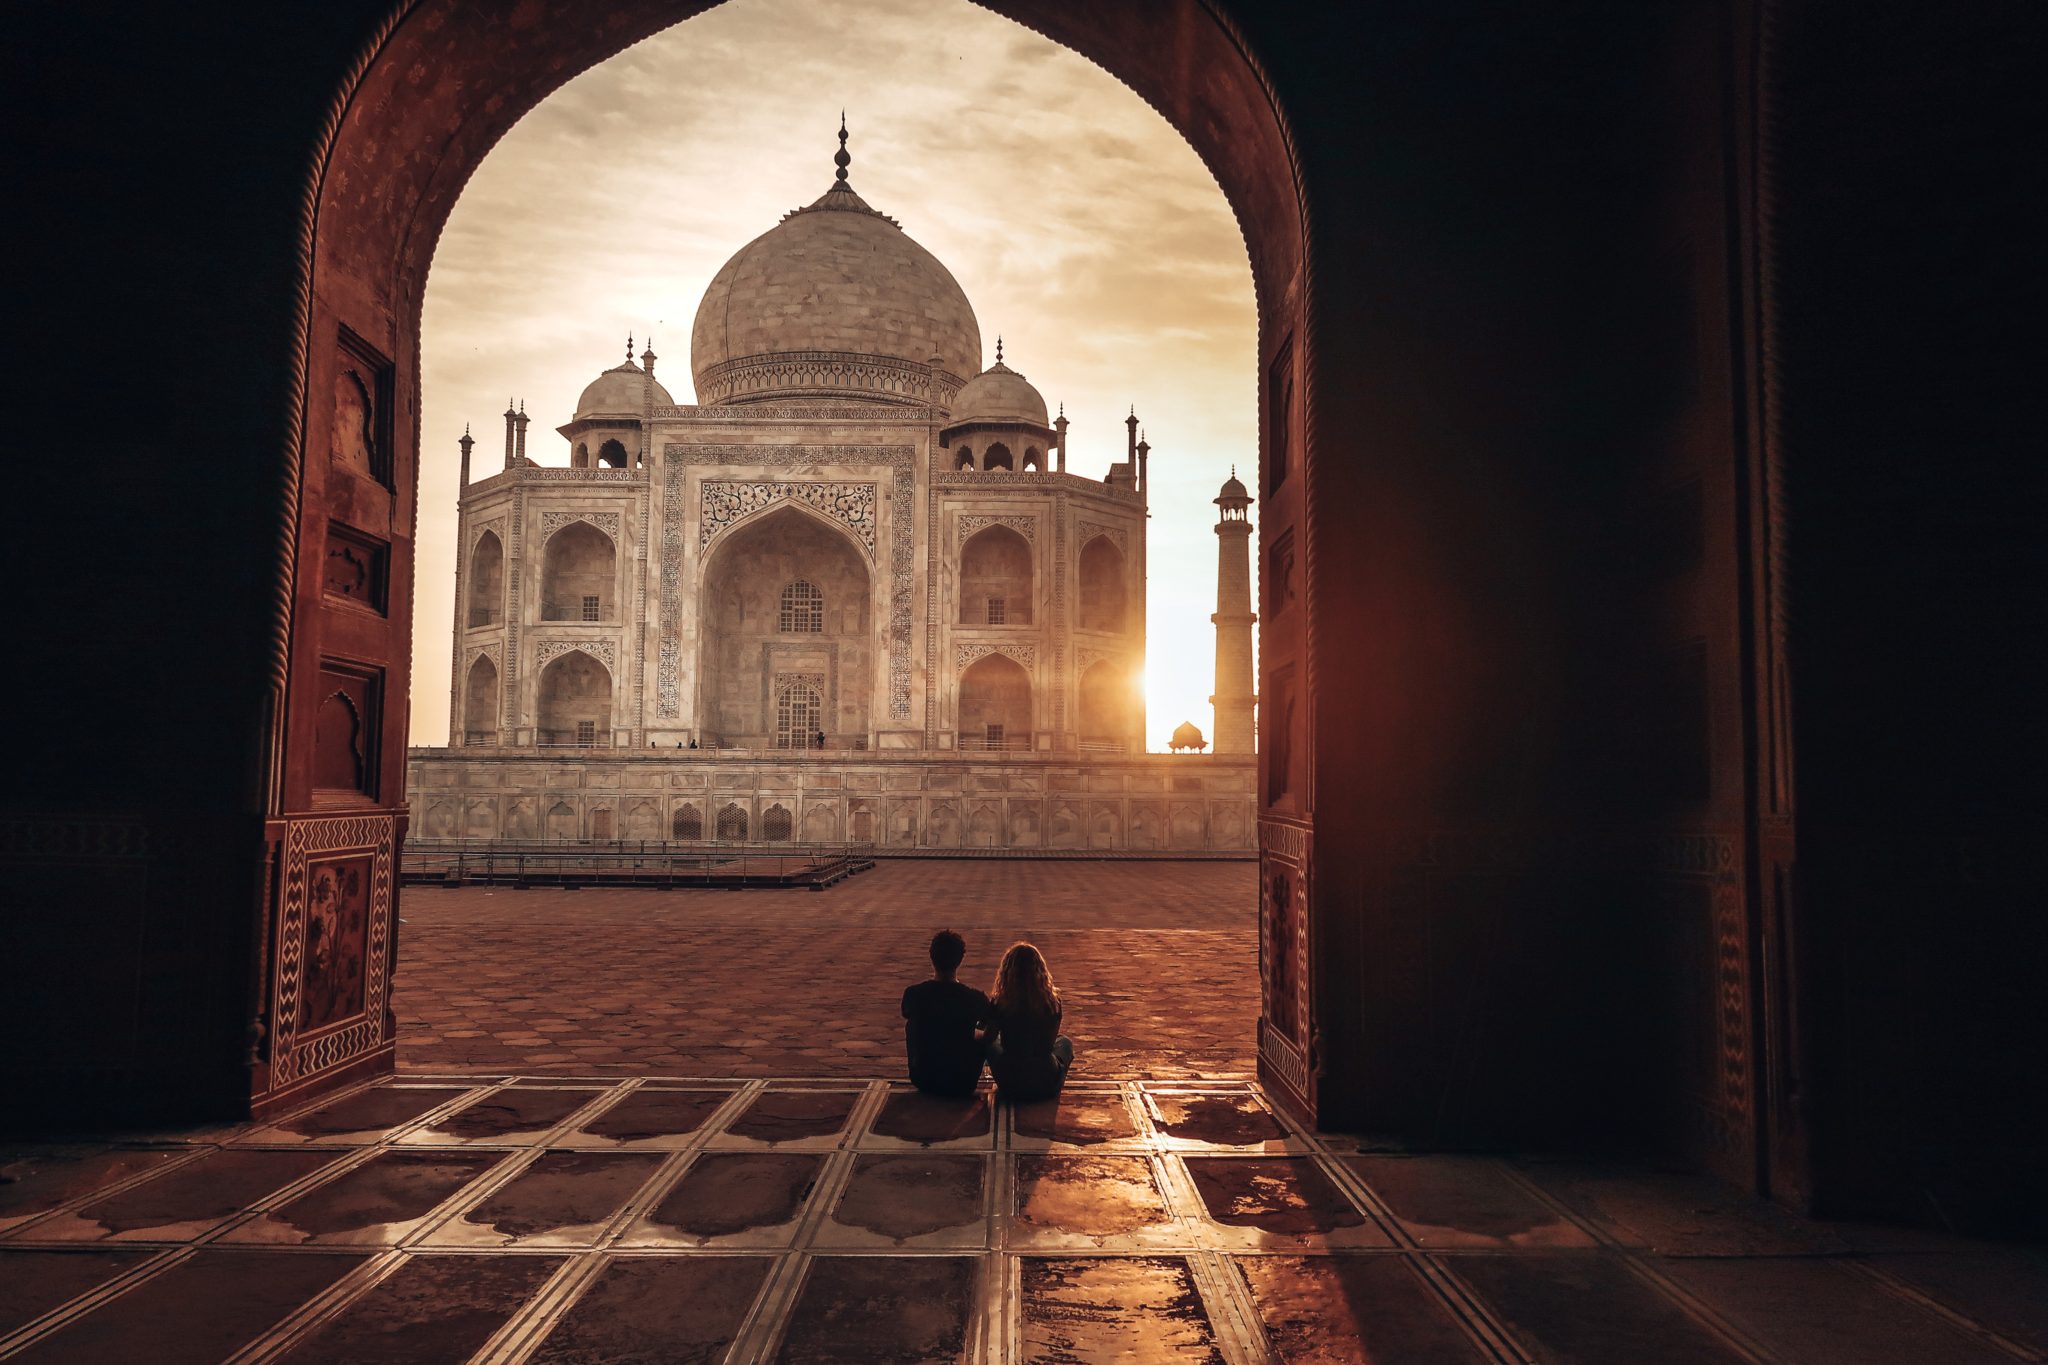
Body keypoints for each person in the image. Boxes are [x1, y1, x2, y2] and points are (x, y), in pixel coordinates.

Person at [901, 929, 990, 1097]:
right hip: (963, 1081)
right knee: (986, 1033)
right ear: (960, 959)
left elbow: (907, 1013)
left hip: (923, 1078)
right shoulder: (975, 998)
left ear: (932, 957)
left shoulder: (914, 994)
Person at [985, 941, 1074, 1101]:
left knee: (991, 1043)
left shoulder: (1000, 1002)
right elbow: (1049, 1041)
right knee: (1064, 1042)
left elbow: (989, 1037)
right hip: (1045, 1079)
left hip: (1011, 1080)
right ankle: (1056, 1078)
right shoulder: (1052, 1002)